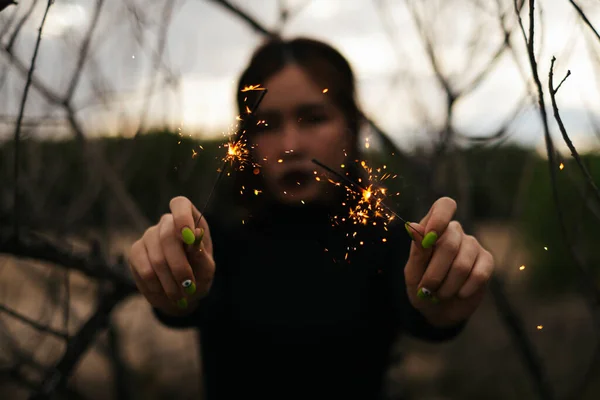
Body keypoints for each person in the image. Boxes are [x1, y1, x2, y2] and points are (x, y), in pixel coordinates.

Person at [128, 37, 495, 399]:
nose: (291, 145)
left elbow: (424, 313)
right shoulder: (213, 238)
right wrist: (173, 278)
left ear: (351, 128)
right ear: (246, 141)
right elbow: (186, 304)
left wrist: (441, 300)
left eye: (314, 118)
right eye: (267, 124)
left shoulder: (390, 240)